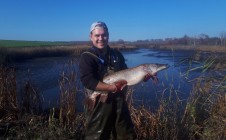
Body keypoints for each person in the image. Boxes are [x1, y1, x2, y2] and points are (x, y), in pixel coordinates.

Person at [79, 21, 151, 140]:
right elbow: (87, 81)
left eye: (104, 35)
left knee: (127, 135)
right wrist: (110, 87)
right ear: (91, 36)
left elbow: (128, 74)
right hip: (99, 104)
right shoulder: (87, 57)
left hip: (119, 102)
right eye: (97, 35)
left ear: (108, 35)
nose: (101, 38)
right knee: (97, 137)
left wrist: (143, 77)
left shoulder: (117, 54)